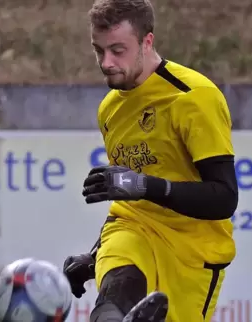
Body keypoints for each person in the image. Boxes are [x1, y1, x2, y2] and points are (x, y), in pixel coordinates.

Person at [63, 0, 238, 321]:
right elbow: (130, 200)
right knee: (110, 304)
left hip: (192, 252)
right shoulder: (109, 109)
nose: (106, 62)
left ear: (147, 41)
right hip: (131, 229)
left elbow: (224, 198)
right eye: (98, 51)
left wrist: (146, 186)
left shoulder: (193, 97)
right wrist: (93, 256)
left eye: (118, 50)